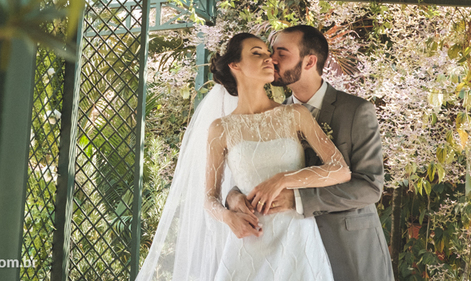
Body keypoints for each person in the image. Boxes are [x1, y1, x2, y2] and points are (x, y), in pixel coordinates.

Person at [136, 33, 351, 281]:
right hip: (248, 242)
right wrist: (228, 217)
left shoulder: (295, 114)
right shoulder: (221, 129)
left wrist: (282, 179)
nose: (269, 59)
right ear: (234, 65)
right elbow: (209, 198)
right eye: (257, 53)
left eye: (268, 54)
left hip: (297, 242)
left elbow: (340, 169)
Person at [225, 25, 394, 281]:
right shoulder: (276, 116)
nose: (272, 59)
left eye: (282, 53)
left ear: (309, 61)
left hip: (348, 247)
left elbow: (370, 187)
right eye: (271, 52)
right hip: (289, 252)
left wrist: (298, 199)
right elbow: (250, 171)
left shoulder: (355, 111)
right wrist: (234, 198)